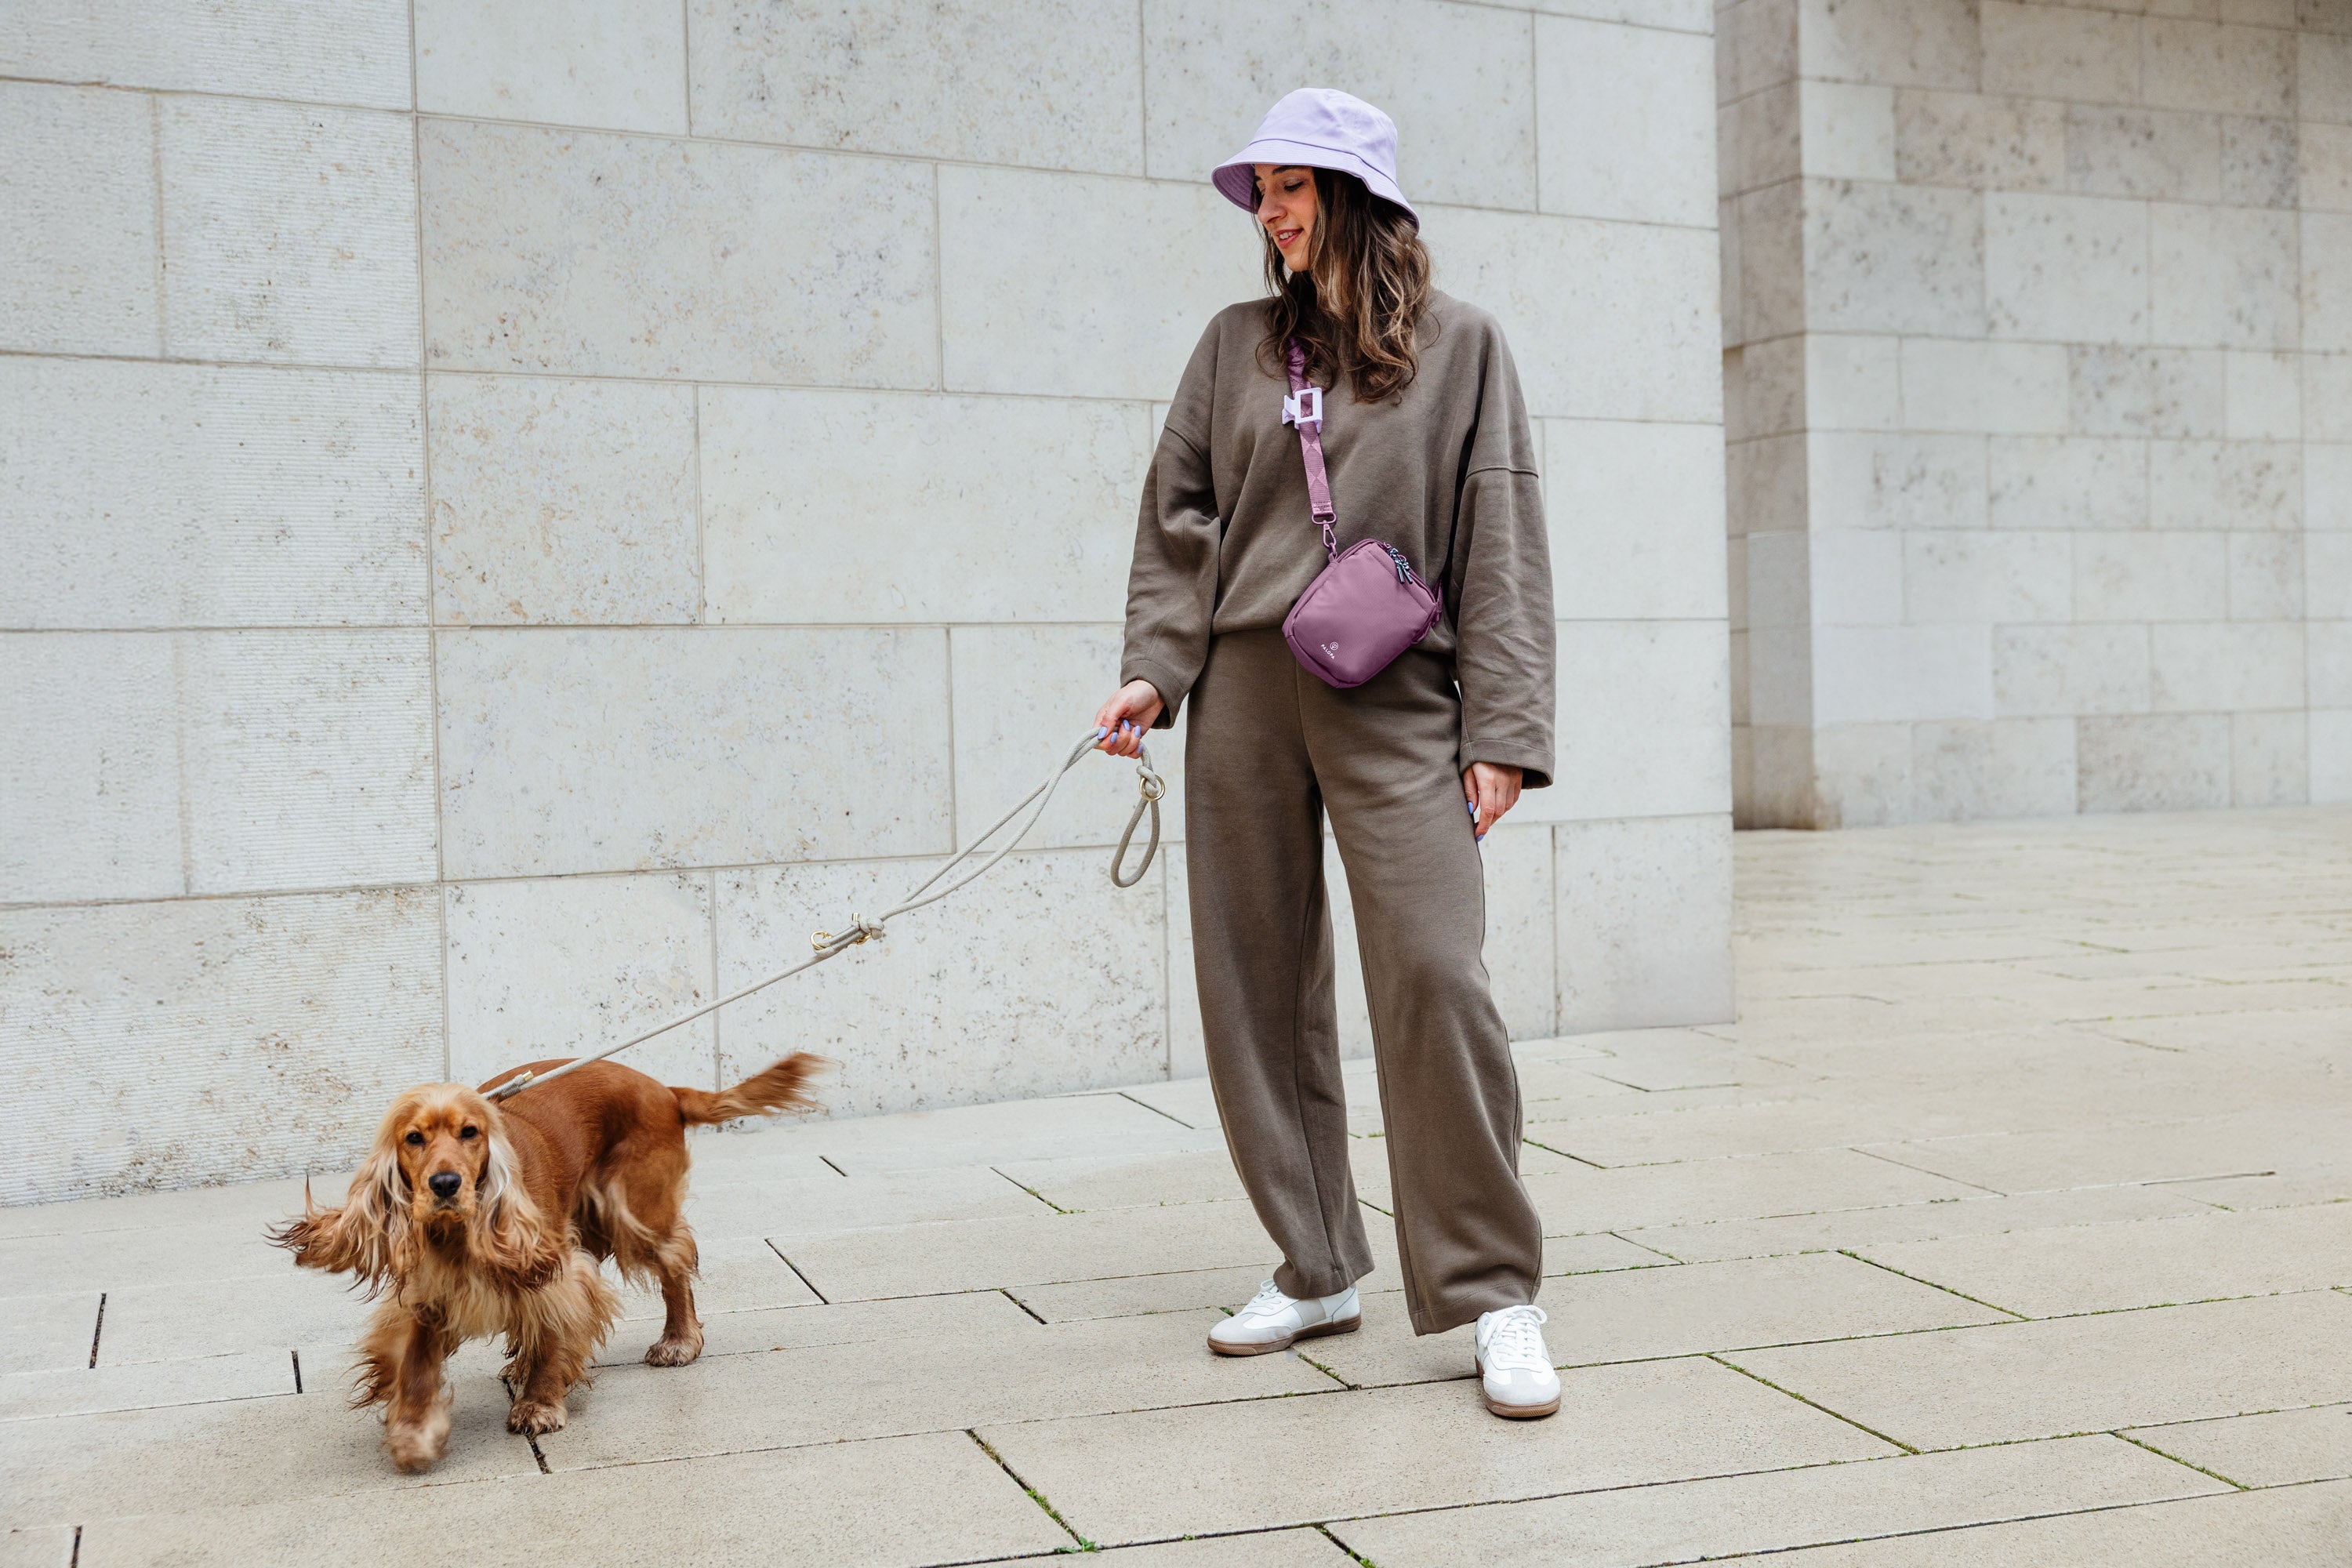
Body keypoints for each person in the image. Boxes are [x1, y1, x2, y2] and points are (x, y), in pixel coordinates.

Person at [1093, 89, 1560, 1420]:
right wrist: (1157, 669)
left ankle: (1492, 1292)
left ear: (1358, 198)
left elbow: (1501, 539)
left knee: (1434, 970)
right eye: (1265, 191)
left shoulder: (1464, 348)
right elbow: (1179, 515)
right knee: (1255, 980)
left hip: (1397, 694)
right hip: (1245, 686)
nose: (1274, 211)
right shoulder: (1233, 347)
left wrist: (1504, 729)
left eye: (1296, 186)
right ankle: (1315, 1264)